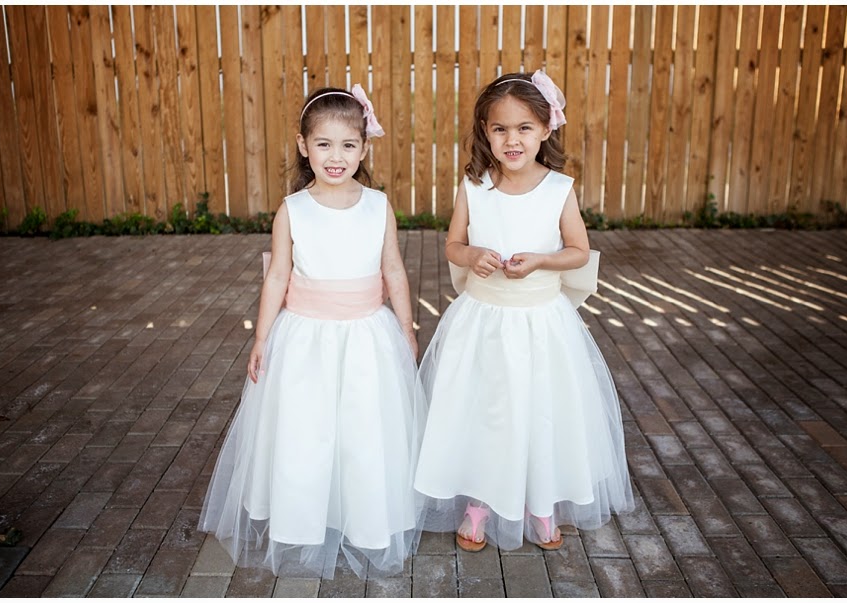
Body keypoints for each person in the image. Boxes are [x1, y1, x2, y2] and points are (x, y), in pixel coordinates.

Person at [199, 85, 426, 579]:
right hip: (305, 340)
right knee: (306, 431)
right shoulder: (293, 209)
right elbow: (278, 276)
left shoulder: (378, 205)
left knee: (363, 430)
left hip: (367, 336)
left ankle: (362, 514)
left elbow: (393, 269)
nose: (336, 157)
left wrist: (406, 328)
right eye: (324, 144)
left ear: (364, 149)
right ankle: (305, 516)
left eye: (348, 145)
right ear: (304, 146)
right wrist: (262, 338)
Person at [413, 70, 634, 552]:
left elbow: (578, 251)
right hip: (483, 322)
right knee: (484, 411)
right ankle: (479, 501)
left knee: (541, 411)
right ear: (485, 132)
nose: (512, 140)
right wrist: (472, 255)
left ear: (546, 129)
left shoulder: (558, 189)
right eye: (500, 129)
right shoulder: (475, 186)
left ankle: (541, 501)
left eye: (524, 128)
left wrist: (541, 260)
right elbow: (453, 245)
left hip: (540, 323)